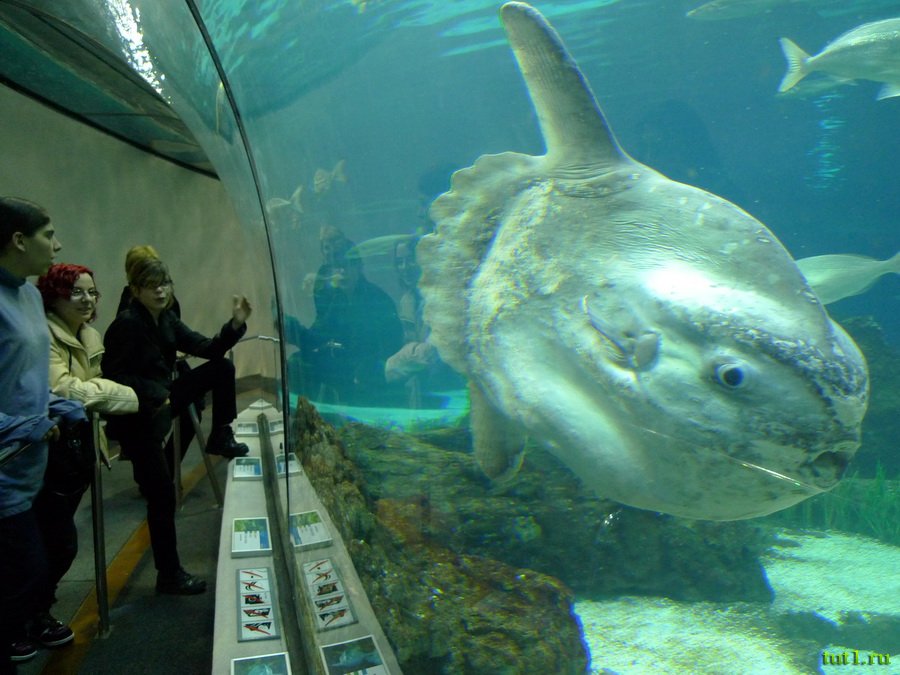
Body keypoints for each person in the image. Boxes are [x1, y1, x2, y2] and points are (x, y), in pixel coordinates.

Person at [101, 256, 252, 594]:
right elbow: (114, 376)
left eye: (164, 284)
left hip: (163, 398)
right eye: (152, 285)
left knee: (222, 368)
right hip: (137, 416)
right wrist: (159, 396)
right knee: (161, 495)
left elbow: (208, 349)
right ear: (135, 290)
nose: (160, 291)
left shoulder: (166, 318)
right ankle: (168, 574)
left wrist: (235, 324)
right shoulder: (126, 324)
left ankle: (220, 434)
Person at [0, 197, 86, 670]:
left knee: (60, 547)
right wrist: (22, 425)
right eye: (49, 235)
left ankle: (31, 616)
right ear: (18, 240)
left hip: (38, 458)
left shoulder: (31, 297)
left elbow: (24, 378)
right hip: (6, 465)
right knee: (24, 565)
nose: (58, 245)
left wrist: (54, 405)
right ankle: (9, 628)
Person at [30, 264, 138, 625]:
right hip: (49, 451)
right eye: (76, 291)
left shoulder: (89, 335)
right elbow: (65, 390)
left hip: (81, 449)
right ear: (54, 295)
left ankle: (38, 608)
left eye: (92, 292)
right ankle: (32, 614)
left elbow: (91, 390)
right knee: (56, 542)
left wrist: (100, 393)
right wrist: (122, 395)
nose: (87, 299)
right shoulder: (44, 333)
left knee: (56, 540)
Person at [286, 225, 403, 406]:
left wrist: (369, 367)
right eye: (336, 267)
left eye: (346, 266)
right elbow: (317, 337)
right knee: (296, 363)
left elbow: (391, 345)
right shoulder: (334, 300)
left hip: (371, 369)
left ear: (359, 267)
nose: (341, 272)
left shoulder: (378, 300)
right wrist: (290, 328)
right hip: (343, 365)